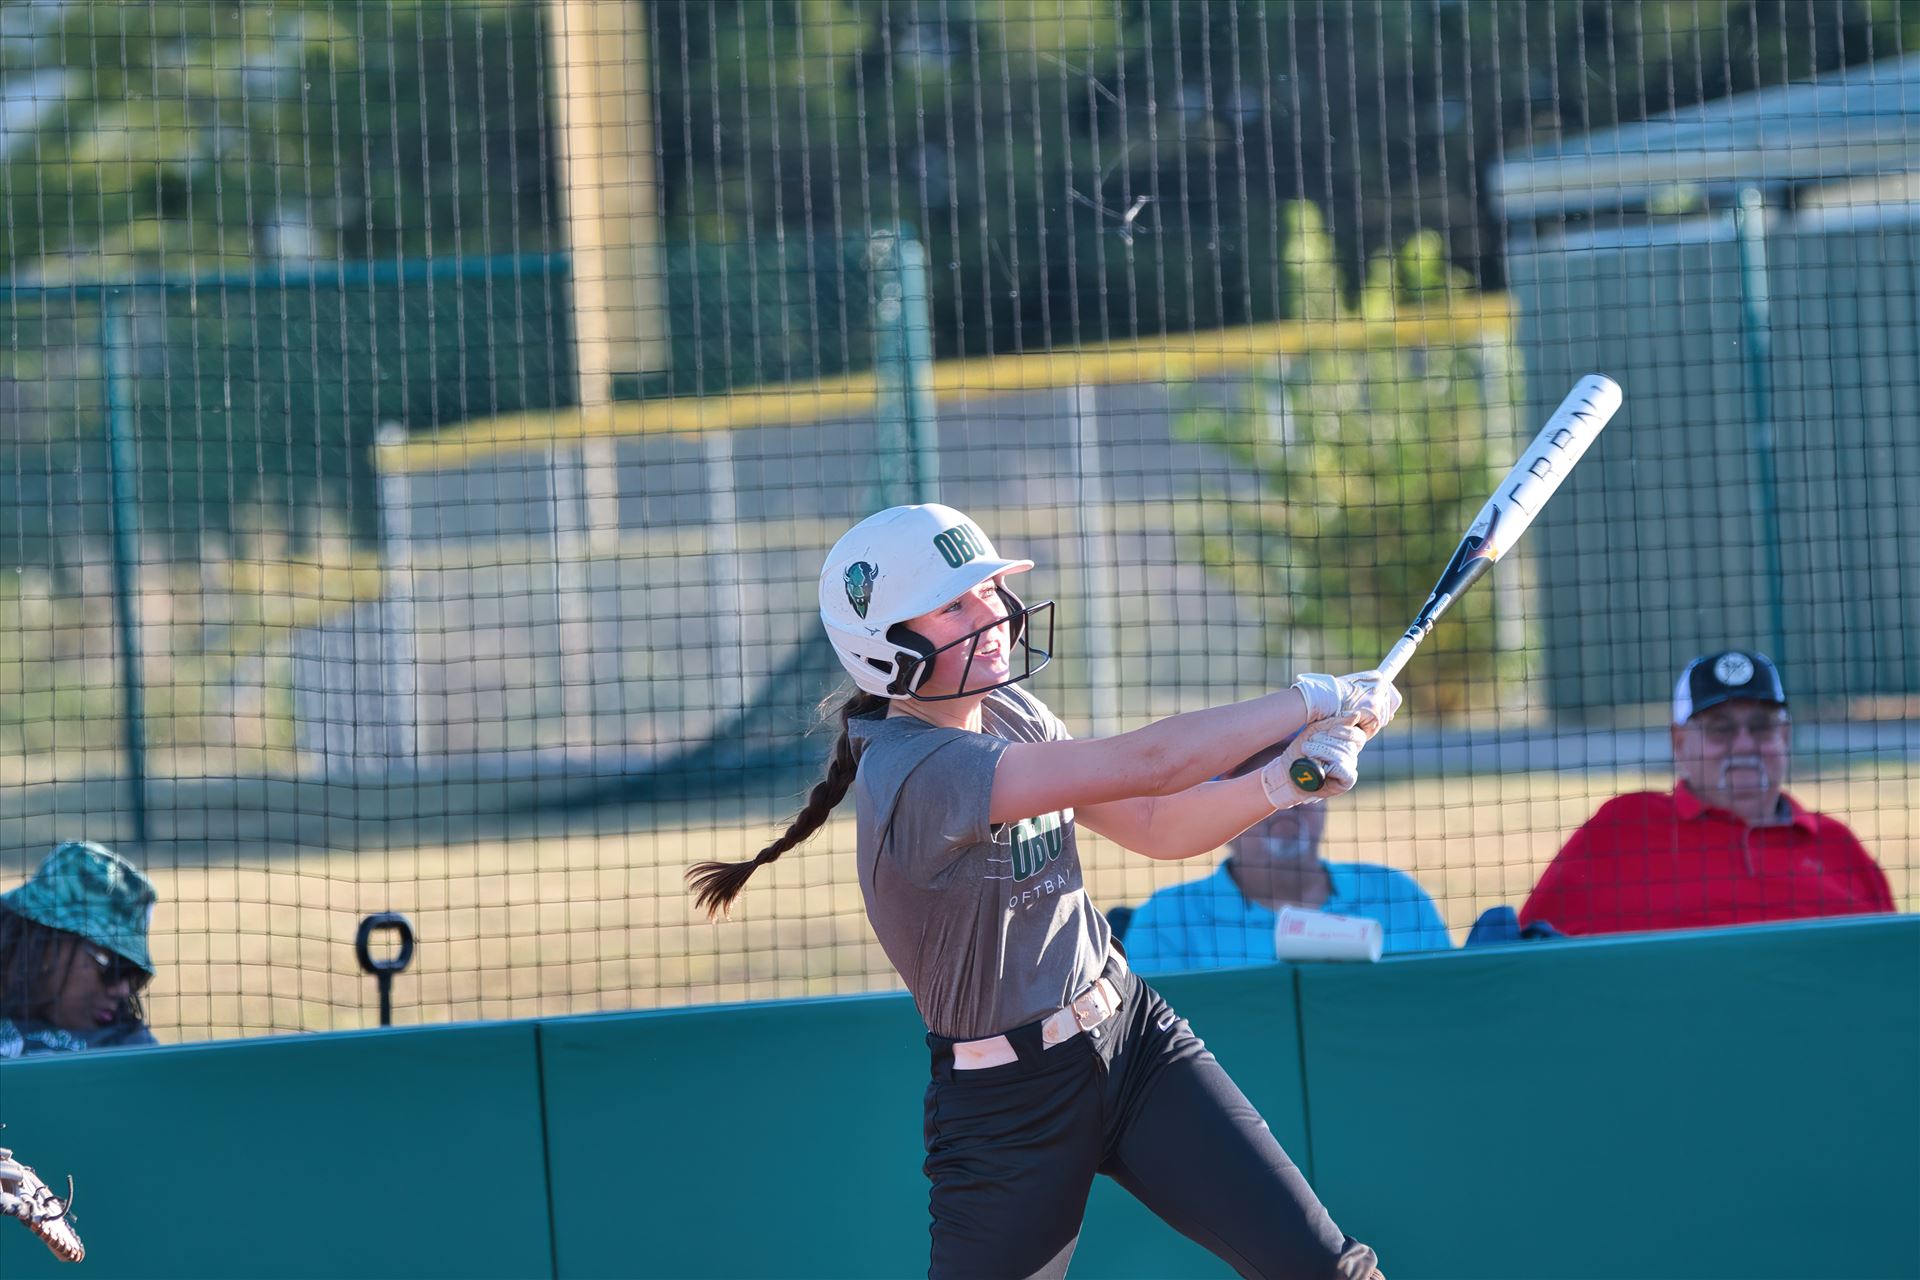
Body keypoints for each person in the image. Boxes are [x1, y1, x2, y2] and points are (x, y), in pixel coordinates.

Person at [689, 503, 1400, 1280]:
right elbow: (1152, 762)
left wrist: (1282, 781)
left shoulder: (1010, 711)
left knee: (1330, 1270)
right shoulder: (919, 772)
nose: (991, 615)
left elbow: (1157, 821)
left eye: (989, 591)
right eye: (954, 604)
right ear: (884, 650)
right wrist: (1315, 698)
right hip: (1005, 1106)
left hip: (1133, 1040)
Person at [1520, 650, 1895, 937]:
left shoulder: (1838, 846)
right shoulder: (1621, 830)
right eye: (1721, 729)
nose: (1744, 745)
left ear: (1784, 737)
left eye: (1762, 727)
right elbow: (1526, 954)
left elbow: (1894, 974)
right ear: (1679, 742)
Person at [1123, 740, 1452, 972]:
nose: (1286, 801)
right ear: (1214, 819)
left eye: (1303, 780)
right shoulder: (1167, 919)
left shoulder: (1397, 894)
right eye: (1261, 789)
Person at [0, 839, 159, 1058]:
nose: (123, 990)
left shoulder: (129, 1049)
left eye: (132, 974)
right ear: (46, 945)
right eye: (112, 967)